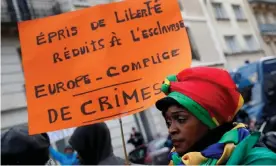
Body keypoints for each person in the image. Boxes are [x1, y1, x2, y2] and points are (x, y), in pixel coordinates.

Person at [155, 67, 276, 165]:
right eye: (168, 122)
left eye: (181, 119)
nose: (171, 130)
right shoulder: (177, 162)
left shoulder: (260, 161)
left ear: (212, 122)